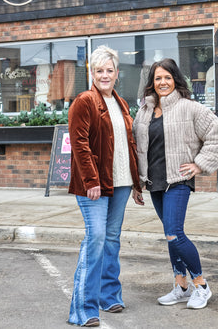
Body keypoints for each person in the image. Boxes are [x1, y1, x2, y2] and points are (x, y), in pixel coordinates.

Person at [133, 58, 218, 310]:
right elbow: (138, 148)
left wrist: (199, 164)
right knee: (169, 236)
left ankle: (201, 285)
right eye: (158, 78)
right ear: (151, 83)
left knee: (175, 233)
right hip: (154, 183)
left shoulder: (190, 108)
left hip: (178, 181)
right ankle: (182, 287)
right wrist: (136, 182)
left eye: (167, 77)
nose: (162, 82)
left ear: (175, 79)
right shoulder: (144, 112)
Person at [67, 45, 143, 327]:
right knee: (96, 238)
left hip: (121, 183)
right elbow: (80, 145)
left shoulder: (121, 103)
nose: (105, 75)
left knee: (111, 239)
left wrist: (135, 183)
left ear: (117, 73)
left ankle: (108, 295)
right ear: (92, 73)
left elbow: (127, 146)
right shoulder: (84, 101)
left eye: (109, 70)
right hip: (95, 185)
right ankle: (83, 309)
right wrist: (91, 181)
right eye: (99, 70)